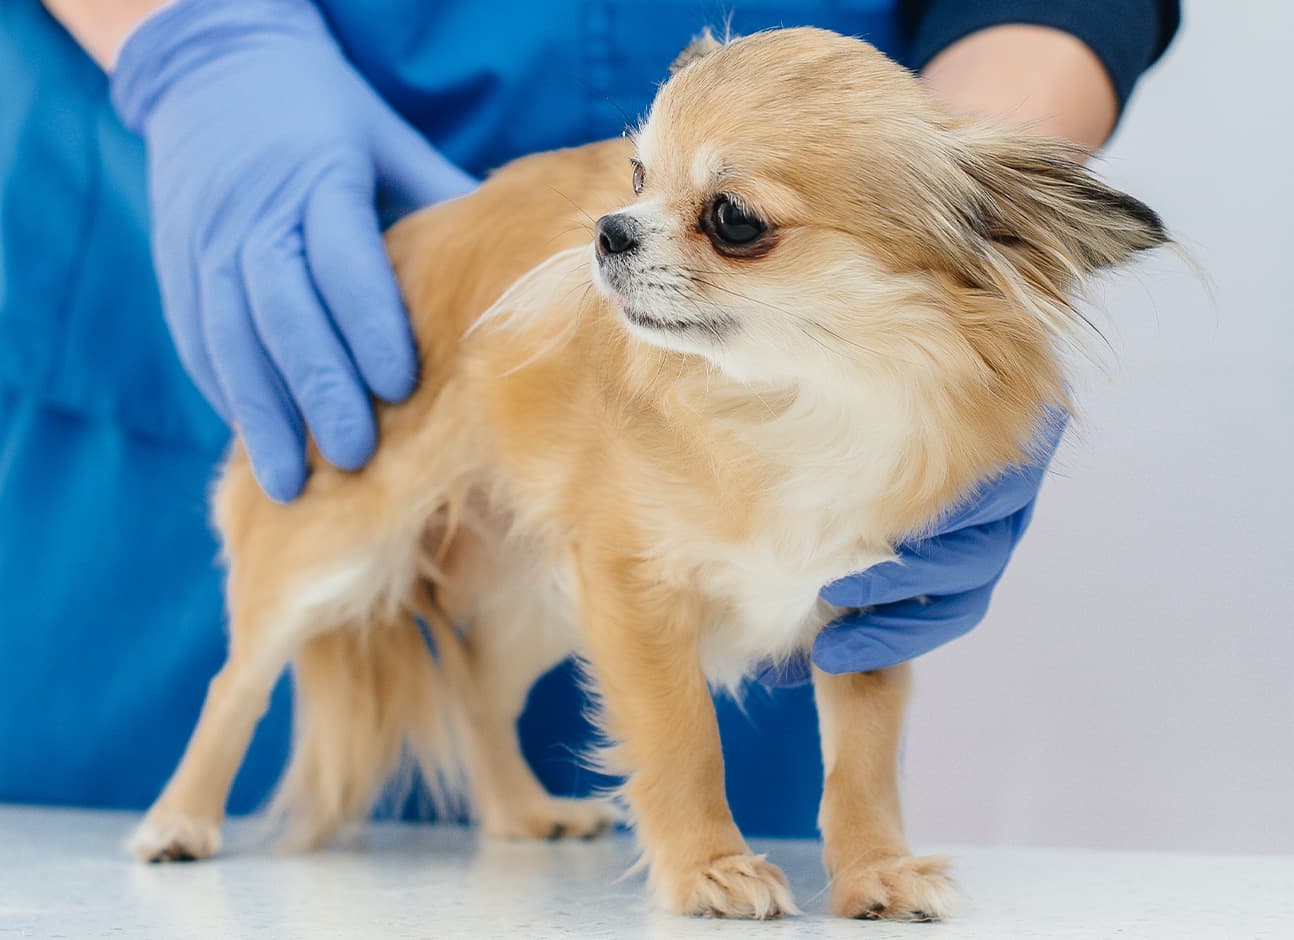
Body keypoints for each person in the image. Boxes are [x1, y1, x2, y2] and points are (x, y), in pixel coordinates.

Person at [0, 0, 1178, 837]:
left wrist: (974, 220)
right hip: (173, 268)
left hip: (776, 338)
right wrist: (193, 35)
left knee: (755, 801)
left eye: (734, 221)